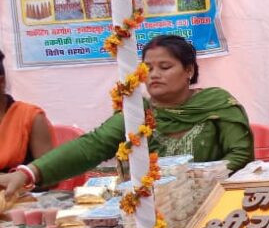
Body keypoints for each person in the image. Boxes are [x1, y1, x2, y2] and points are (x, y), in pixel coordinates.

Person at [0, 35, 254, 196]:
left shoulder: (216, 104)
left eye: (165, 67)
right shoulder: (137, 112)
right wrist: (28, 173)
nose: (154, 74)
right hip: (150, 210)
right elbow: (91, 146)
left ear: (189, 70)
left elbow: (240, 155)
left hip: (214, 202)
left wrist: (192, 183)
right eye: (148, 68)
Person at [0, 49, 54, 171]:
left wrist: (13, 178)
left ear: (1, 82)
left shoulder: (30, 117)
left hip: (21, 183)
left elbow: (49, 174)